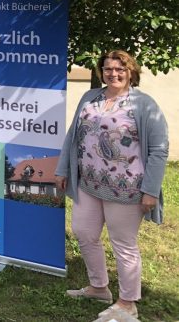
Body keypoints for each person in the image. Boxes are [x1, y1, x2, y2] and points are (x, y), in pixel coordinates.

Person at [55, 50, 168, 320]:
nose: (113, 74)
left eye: (120, 69)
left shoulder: (144, 105)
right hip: (88, 183)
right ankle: (98, 287)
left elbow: (159, 150)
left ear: (131, 72)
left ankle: (128, 303)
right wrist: (63, 169)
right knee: (83, 233)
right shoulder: (90, 97)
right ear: (101, 71)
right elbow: (73, 135)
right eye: (108, 69)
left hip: (127, 189)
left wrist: (150, 190)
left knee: (123, 243)